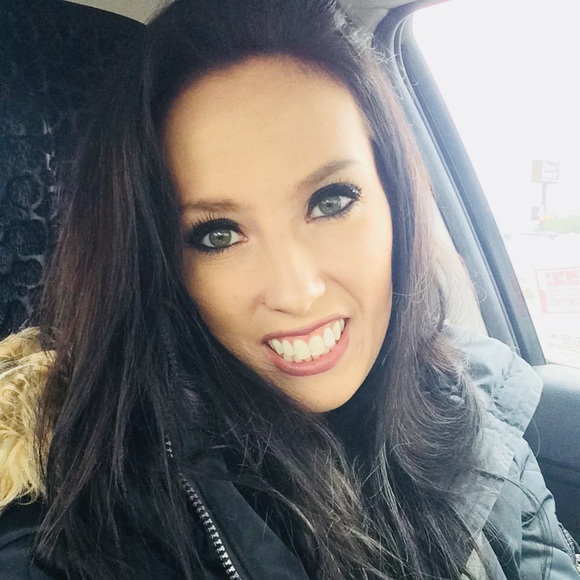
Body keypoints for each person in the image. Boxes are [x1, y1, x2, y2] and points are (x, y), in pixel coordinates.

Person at [0, 0, 578, 578]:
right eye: (218, 234)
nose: (297, 291)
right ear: (157, 264)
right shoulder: (77, 533)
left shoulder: (480, 408)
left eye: (332, 201)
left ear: (395, 197)